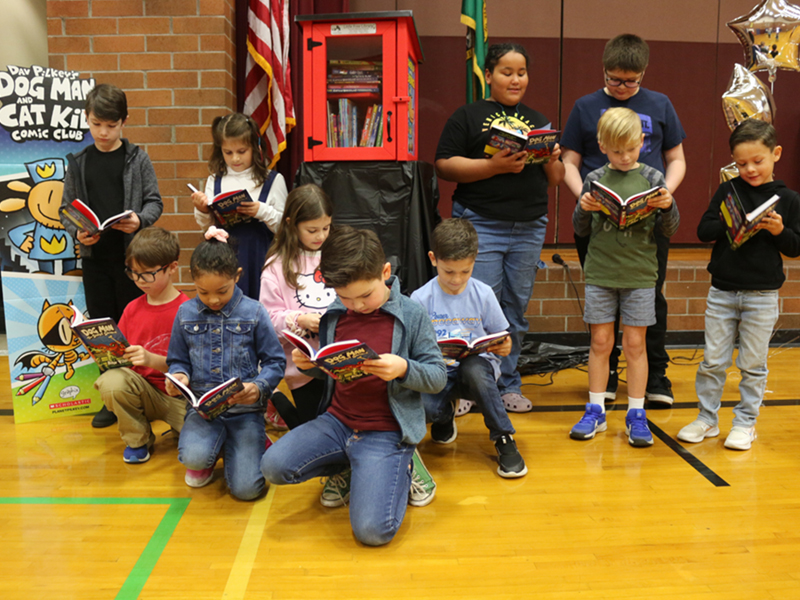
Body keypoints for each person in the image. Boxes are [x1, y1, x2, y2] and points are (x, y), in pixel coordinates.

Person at [261, 226, 447, 546]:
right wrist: (313, 366)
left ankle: (404, 465)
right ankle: (353, 468)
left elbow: (437, 377)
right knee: (273, 466)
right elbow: (336, 370)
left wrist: (403, 368)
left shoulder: (412, 313)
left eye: (365, 295)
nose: (356, 306)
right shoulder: (336, 314)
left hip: (387, 429)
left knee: (373, 532)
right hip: (339, 422)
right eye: (344, 297)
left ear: (385, 273)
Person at [435, 42, 565, 413]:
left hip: (528, 225)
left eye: (521, 72)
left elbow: (554, 179)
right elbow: (444, 165)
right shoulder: (468, 115)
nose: (515, 79)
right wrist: (493, 167)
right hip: (480, 222)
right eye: (506, 72)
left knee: (515, 310)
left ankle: (507, 384)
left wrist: (553, 157)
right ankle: (463, 386)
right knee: (476, 306)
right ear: (489, 75)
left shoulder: (539, 120)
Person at [561, 33, 686, 407]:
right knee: (603, 296)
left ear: (643, 74)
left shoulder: (660, 104)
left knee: (649, 296)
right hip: (599, 216)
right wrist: (585, 197)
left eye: (630, 81)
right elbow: (569, 161)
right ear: (604, 70)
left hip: (647, 218)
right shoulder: (585, 106)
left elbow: (676, 157)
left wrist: (664, 195)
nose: (622, 86)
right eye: (615, 79)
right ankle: (609, 374)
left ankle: (656, 374)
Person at [678, 119, 800, 450]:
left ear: (775, 154)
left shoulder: (788, 199)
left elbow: (795, 247)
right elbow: (704, 230)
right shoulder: (728, 190)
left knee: (752, 363)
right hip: (722, 291)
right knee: (713, 360)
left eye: (757, 161)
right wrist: (730, 223)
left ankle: (746, 423)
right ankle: (707, 419)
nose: (749, 169)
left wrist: (778, 231)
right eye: (741, 163)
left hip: (762, 294)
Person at [570, 107, 679, 447]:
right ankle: (595, 409)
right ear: (602, 145)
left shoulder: (652, 178)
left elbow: (670, 228)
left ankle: (636, 413)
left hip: (640, 274)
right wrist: (582, 208)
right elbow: (580, 229)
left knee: (635, 344)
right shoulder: (594, 179)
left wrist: (667, 205)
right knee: (600, 343)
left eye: (630, 149)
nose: (624, 156)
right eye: (616, 150)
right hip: (601, 272)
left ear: (642, 143)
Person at [60, 83, 164, 429]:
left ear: (124, 122)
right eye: (96, 125)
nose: (103, 133)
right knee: (102, 328)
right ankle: (111, 395)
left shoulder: (137, 157)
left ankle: (141, 392)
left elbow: (154, 201)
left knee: (133, 325)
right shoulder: (78, 162)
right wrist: (76, 229)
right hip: (94, 259)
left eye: (111, 125)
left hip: (131, 261)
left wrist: (140, 219)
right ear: (87, 121)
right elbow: (65, 209)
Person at [166, 227, 285, 500]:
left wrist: (258, 387)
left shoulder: (254, 311)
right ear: (193, 282)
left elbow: (275, 362)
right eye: (203, 292)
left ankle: (249, 444)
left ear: (237, 277)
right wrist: (179, 377)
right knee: (194, 458)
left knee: (247, 492)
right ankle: (215, 450)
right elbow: (178, 360)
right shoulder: (185, 312)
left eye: (222, 290)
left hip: (245, 412)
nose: (214, 299)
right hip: (203, 412)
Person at [411, 218, 526, 478]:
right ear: (433, 259)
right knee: (424, 407)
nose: (457, 279)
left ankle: (504, 438)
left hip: (477, 374)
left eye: (465, 271)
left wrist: (504, 346)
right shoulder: (420, 298)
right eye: (449, 271)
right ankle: (444, 415)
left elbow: (502, 337)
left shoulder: (483, 294)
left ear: (475, 260)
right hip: (438, 374)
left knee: (475, 369)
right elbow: (413, 346)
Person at [94, 227, 189, 463]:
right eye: (133, 273)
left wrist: (151, 359)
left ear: (173, 268)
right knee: (111, 381)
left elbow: (194, 366)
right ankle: (138, 440)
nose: (138, 280)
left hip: (179, 396)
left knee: (201, 444)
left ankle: (183, 431)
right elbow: (121, 361)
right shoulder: (132, 308)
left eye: (147, 274)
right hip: (141, 390)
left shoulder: (187, 310)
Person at [259, 184, 336, 429]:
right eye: (312, 230)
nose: (321, 236)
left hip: (339, 361)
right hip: (303, 367)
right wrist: (299, 319)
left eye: (326, 227)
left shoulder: (338, 253)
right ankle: (279, 402)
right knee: (315, 430)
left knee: (342, 424)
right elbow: (267, 318)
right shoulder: (276, 265)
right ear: (292, 224)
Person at [190, 113, 288, 300]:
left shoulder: (273, 180)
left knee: (259, 302)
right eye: (228, 152)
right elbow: (206, 226)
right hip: (224, 259)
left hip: (260, 255)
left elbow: (285, 228)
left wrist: (262, 211)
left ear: (256, 148)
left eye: (242, 151)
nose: (235, 158)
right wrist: (202, 209)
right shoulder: (215, 180)